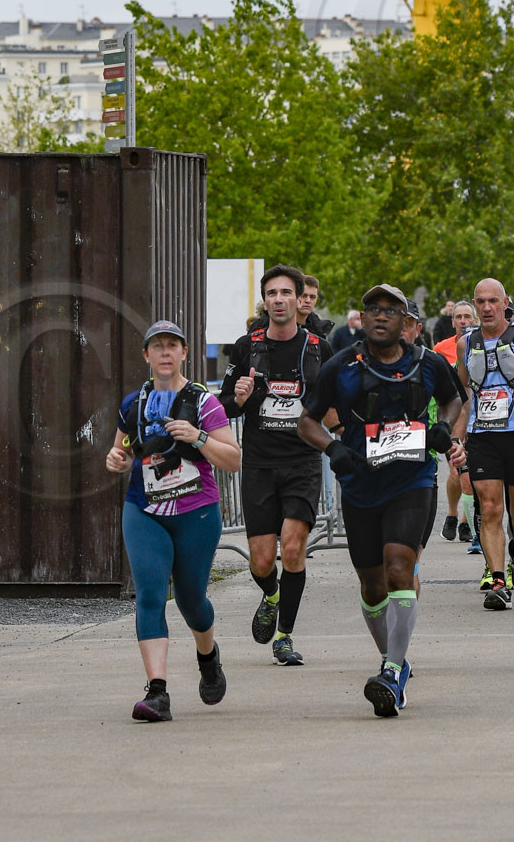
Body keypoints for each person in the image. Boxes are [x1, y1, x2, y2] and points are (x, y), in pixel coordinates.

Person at [298, 282, 463, 717]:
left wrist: (444, 428)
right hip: (361, 485)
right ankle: (395, 659)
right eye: (373, 308)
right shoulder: (340, 366)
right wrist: (333, 448)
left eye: (391, 310)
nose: (381, 315)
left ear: (406, 321)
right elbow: (307, 421)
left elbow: (452, 400)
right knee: (372, 585)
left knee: (399, 566)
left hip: (412, 479)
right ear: (364, 318)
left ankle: (390, 673)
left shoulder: (427, 363)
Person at [106, 320, 241, 723]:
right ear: (146, 355)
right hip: (144, 510)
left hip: (196, 512)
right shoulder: (133, 404)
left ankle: (208, 657)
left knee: (191, 600)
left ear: (184, 353)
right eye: (157, 346)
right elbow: (121, 451)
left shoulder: (204, 402)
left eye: (172, 346)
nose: (165, 353)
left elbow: (233, 460)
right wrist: (117, 460)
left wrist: (198, 437)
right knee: (150, 595)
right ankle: (157, 692)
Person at [220, 263, 331, 666]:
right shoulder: (246, 347)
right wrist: (239, 398)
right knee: (262, 561)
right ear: (264, 301)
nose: (279, 300)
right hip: (260, 464)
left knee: (294, 547)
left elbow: (336, 404)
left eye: (286, 293)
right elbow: (223, 406)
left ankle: (284, 636)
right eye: (272, 293)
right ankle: (271, 594)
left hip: (302, 461)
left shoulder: (318, 348)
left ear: (300, 300)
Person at [453, 279, 514, 609]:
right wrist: (457, 437)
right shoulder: (466, 344)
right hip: (483, 436)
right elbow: (462, 395)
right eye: (480, 301)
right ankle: (498, 580)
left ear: (505, 303)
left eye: (493, 301)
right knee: (490, 507)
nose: (487, 307)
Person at [434, 300, 478, 542]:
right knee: (455, 471)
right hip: (454, 415)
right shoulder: (441, 349)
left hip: (479, 416)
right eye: (458, 317)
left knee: (469, 474)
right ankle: (452, 512)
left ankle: (464, 522)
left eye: (467, 317)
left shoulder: (482, 344)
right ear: (452, 322)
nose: (463, 321)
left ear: (475, 320)